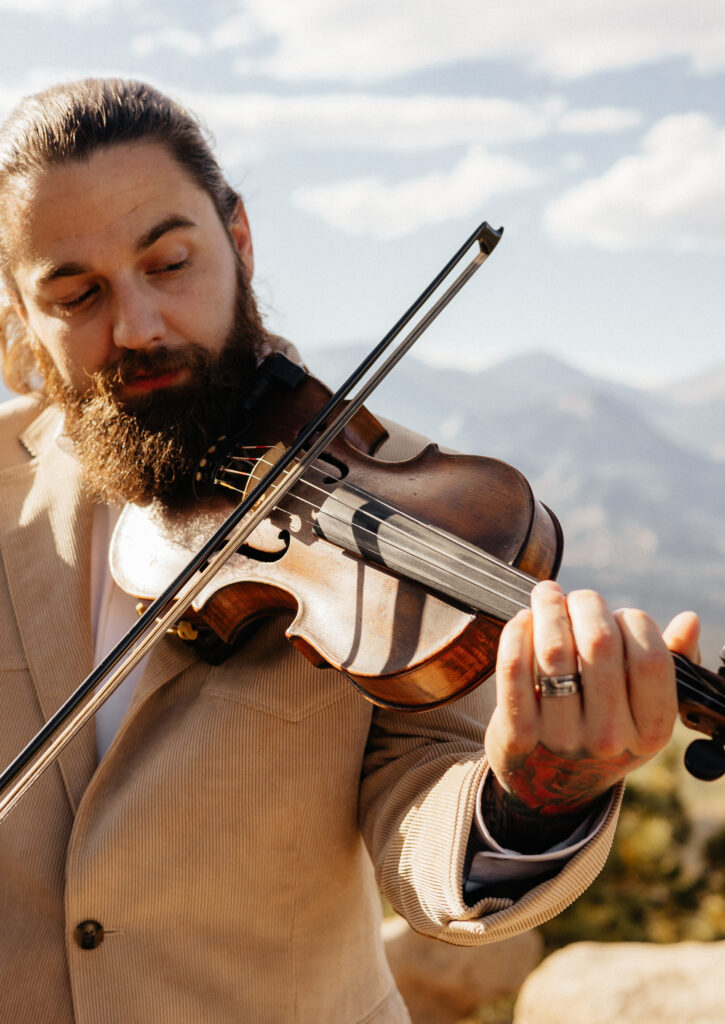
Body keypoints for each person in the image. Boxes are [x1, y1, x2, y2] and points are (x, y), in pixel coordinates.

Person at [0, 78, 700, 1023]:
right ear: (19, 313)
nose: (137, 327)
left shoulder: (404, 508)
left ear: (238, 241)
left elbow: (426, 811)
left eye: (169, 263)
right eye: (76, 293)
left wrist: (533, 795)